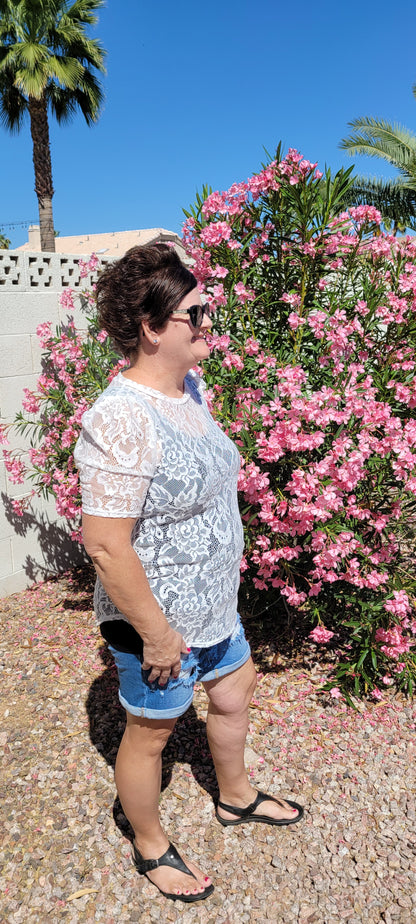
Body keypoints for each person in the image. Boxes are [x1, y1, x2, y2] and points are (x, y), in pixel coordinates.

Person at [74, 243, 303, 904]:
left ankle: (233, 796)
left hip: (213, 607)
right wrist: (158, 637)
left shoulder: (187, 389)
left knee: (235, 693)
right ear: (151, 328)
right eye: (196, 313)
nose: (209, 323)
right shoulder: (120, 419)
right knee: (150, 738)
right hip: (157, 627)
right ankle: (149, 843)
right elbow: (108, 546)